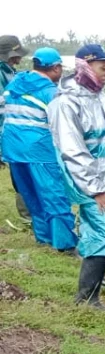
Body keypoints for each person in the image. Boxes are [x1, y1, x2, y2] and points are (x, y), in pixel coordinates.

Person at [48, 44, 105, 310]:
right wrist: (96, 189)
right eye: (103, 68)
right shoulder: (65, 103)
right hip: (94, 185)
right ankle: (86, 298)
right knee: (103, 232)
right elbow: (73, 151)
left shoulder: (102, 98)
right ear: (84, 66)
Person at [1, 48, 77, 252]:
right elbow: (62, 126)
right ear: (55, 67)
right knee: (53, 194)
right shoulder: (50, 92)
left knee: (31, 194)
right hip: (40, 151)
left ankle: (43, 238)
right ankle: (65, 243)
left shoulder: (15, 82)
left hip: (13, 149)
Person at [0, 35, 31, 220]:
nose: (18, 59)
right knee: (19, 169)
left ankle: (28, 211)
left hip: (15, 129)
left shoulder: (11, 71)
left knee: (21, 168)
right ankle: (27, 213)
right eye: (14, 56)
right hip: (6, 129)